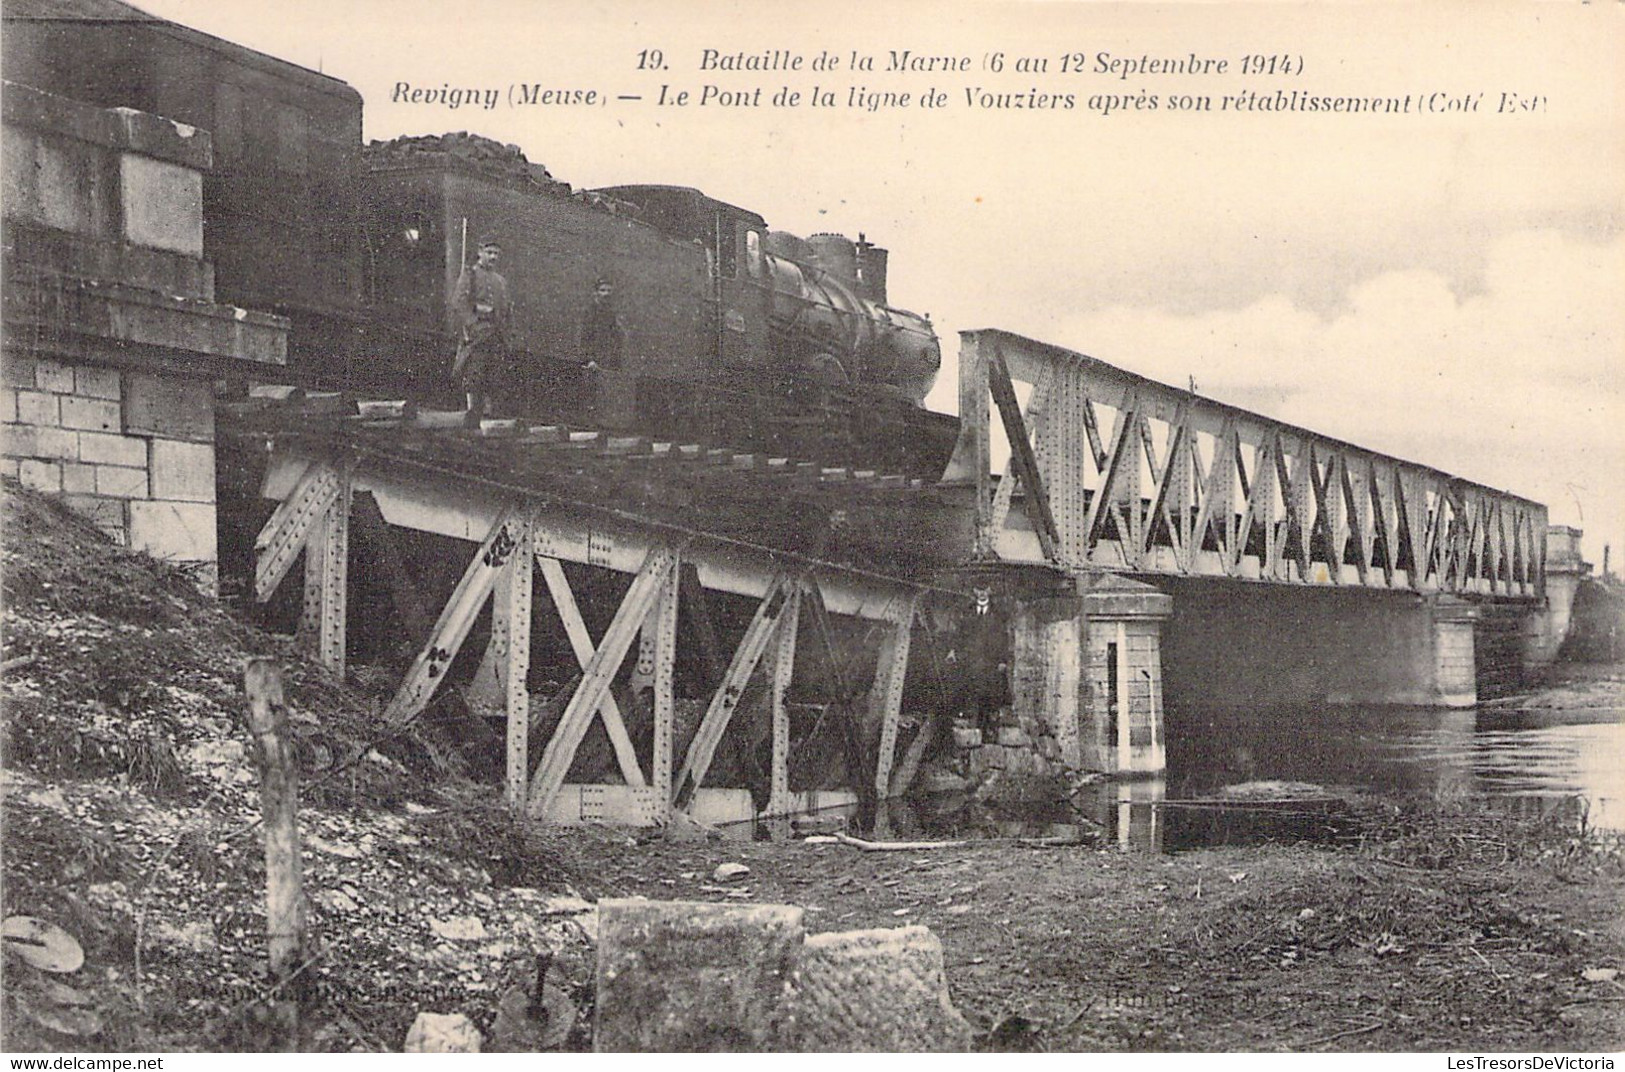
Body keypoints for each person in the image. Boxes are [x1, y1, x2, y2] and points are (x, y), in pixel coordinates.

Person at [451, 235, 512, 426]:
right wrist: (473, 325)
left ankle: (487, 415)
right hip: (477, 334)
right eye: (489, 252)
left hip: (496, 334)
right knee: (473, 374)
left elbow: (506, 309)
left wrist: (507, 331)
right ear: (480, 252)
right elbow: (459, 301)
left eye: (496, 254)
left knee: (494, 376)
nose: (493, 257)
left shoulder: (500, 281)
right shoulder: (471, 274)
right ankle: (471, 413)